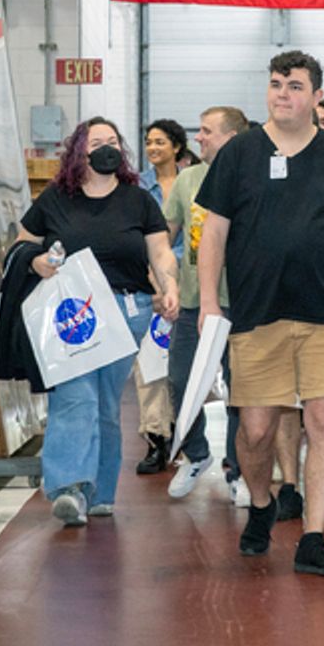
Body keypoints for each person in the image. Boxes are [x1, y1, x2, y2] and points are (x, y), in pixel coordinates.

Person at [197, 50, 324, 577]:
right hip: (257, 314)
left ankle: (313, 536)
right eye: (277, 84)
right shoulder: (239, 153)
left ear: (316, 96)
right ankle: (262, 503)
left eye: (295, 86)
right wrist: (210, 302)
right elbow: (214, 233)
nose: (283, 93)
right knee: (256, 431)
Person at [17, 117, 180, 527]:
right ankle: (69, 487)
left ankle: (100, 492)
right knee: (77, 397)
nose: (107, 148)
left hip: (127, 311)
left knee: (105, 404)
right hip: (73, 313)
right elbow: (22, 244)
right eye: (97, 142)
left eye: (113, 141)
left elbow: (160, 251)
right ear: (79, 151)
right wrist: (37, 262)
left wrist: (170, 284)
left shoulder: (138, 201)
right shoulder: (56, 199)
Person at [161, 106, 248, 502]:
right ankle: (196, 454)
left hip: (242, 304)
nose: (198, 138)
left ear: (232, 137)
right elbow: (164, 236)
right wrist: (164, 282)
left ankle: (237, 468)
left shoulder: (252, 179)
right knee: (180, 381)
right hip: (194, 304)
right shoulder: (188, 180)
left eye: (207, 131)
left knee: (239, 391)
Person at [134, 118, 191, 473]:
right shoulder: (137, 187)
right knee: (150, 362)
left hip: (194, 283)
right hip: (150, 281)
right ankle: (156, 438)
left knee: (186, 366)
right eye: (149, 142)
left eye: (160, 142)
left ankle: (187, 436)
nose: (153, 148)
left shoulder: (195, 182)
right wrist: (152, 283)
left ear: (176, 146)